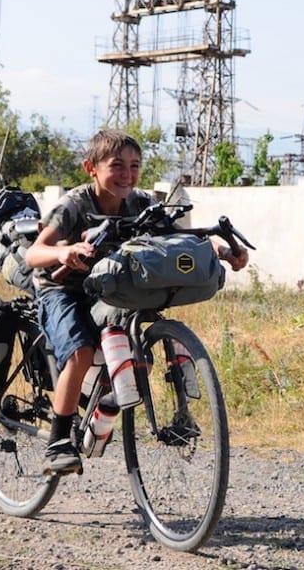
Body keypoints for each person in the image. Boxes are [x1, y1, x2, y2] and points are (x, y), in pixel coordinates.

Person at [25, 129, 249, 475]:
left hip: (110, 284)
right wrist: (65, 251)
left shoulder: (141, 203)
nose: (127, 175)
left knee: (132, 335)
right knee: (81, 351)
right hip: (62, 288)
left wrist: (222, 252)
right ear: (91, 168)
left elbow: (175, 239)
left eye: (135, 166)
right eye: (117, 166)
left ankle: (116, 399)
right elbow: (34, 253)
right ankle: (58, 443)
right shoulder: (74, 205)